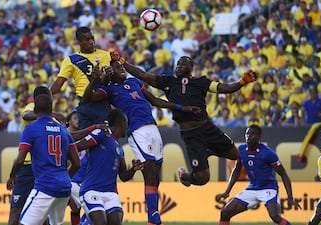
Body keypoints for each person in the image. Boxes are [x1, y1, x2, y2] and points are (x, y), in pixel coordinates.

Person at [111, 52, 257, 187]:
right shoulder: (168, 82)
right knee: (203, 179)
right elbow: (143, 75)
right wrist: (122, 62)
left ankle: (207, 152)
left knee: (236, 155)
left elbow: (225, 88)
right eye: (177, 64)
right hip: (191, 136)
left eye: (183, 64)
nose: (179, 66)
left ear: (191, 67)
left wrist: (242, 82)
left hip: (207, 128)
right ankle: (187, 176)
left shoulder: (202, 82)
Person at [83, 58, 200, 225]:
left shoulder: (134, 82)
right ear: (111, 72)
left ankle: (154, 217)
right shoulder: (109, 89)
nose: (122, 69)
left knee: (155, 176)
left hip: (153, 127)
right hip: (137, 131)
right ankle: (153, 220)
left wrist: (181, 107)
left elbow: (154, 100)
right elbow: (88, 97)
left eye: (122, 67)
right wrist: (96, 79)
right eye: (117, 68)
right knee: (150, 173)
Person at [6, 94, 80, 225]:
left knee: (22, 222)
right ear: (51, 110)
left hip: (45, 186)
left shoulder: (31, 129)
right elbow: (76, 163)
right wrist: (64, 178)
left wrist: (12, 176)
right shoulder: (63, 130)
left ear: (35, 110)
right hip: (64, 187)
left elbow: (19, 160)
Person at [215, 125, 300, 225]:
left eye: (252, 134)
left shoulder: (268, 153)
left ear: (259, 137)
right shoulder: (241, 150)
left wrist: (290, 197)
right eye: (247, 134)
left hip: (269, 188)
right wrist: (227, 191)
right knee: (225, 212)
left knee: (275, 216)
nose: (248, 136)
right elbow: (236, 171)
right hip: (252, 188)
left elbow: (284, 174)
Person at [75, 108, 144, 225]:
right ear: (121, 123)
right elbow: (78, 146)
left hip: (111, 193)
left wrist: (133, 169)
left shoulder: (120, 148)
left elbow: (123, 176)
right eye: (126, 124)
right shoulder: (102, 134)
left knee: (115, 221)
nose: (127, 127)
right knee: (100, 222)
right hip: (91, 190)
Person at [50, 26, 112, 129]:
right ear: (79, 41)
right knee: (85, 138)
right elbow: (58, 84)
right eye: (87, 39)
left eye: (92, 38)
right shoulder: (71, 60)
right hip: (84, 104)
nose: (91, 42)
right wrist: (45, 95)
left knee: (104, 137)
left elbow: (111, 79)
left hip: (102, 103)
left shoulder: (106, 55)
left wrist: (109, 75)